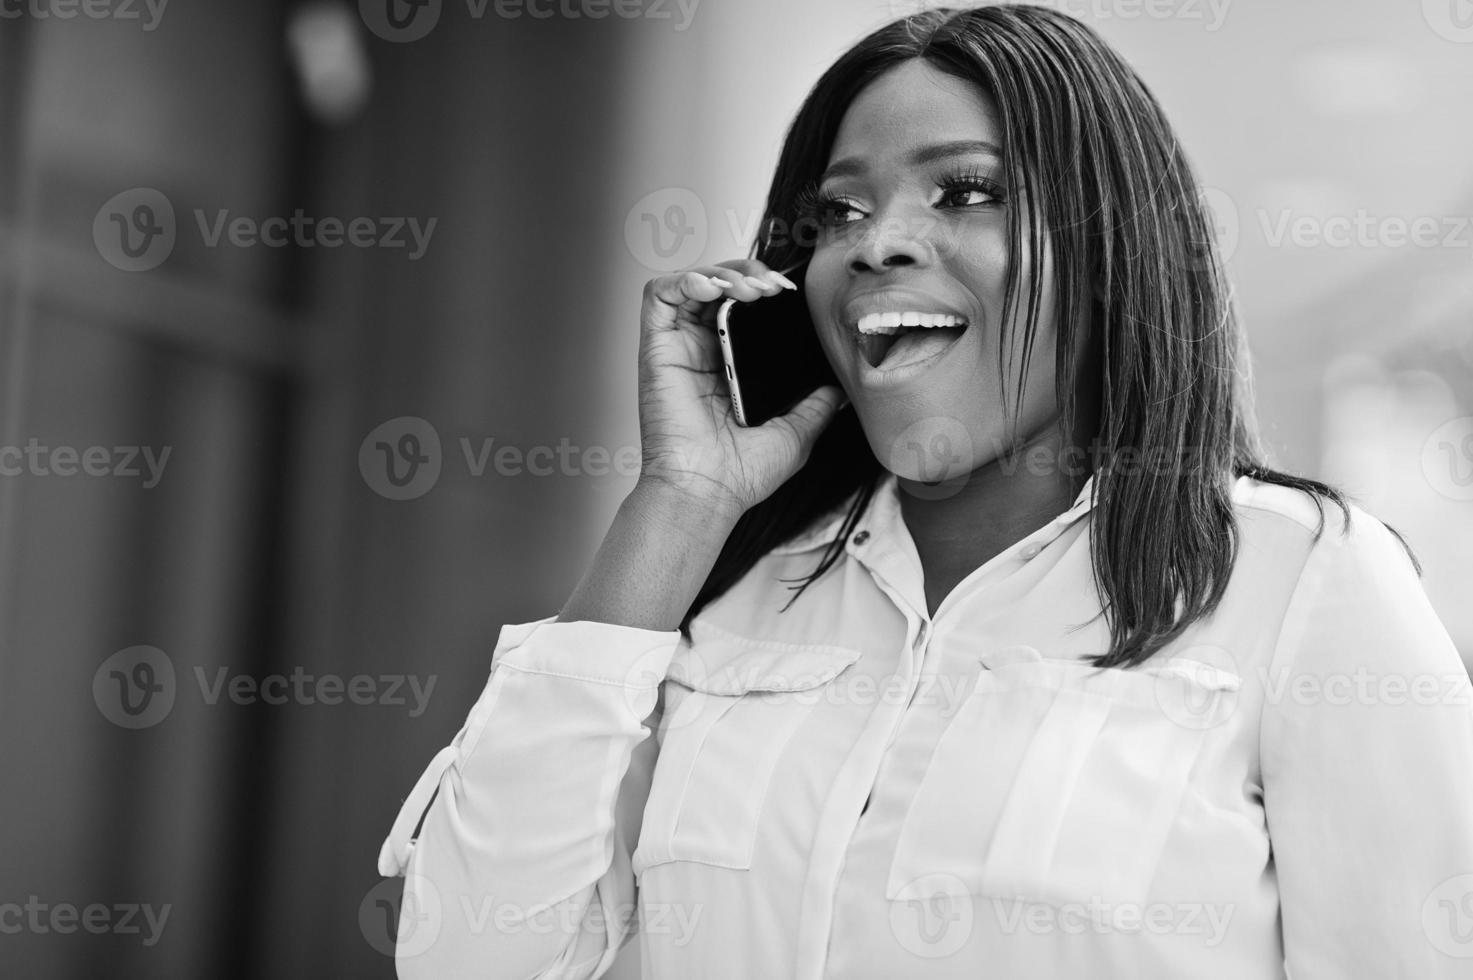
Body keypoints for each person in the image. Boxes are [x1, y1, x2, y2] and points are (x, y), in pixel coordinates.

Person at [376, 5, 1473, 978]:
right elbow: (472, 955)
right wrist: (679, 500)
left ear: (1110, 250)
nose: (876, 243)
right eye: (840, 213)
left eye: (968, 190)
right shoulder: (737, 595)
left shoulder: (1295, 578)